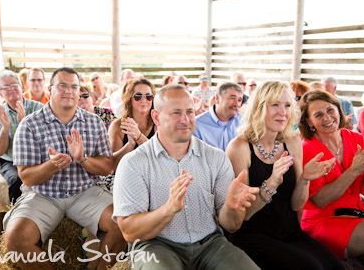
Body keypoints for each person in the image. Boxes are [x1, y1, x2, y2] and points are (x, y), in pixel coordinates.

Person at [113, 84, 260, 270]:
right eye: (175, 113)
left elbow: (231, 226)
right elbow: (129, 232)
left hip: (210, 244)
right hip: (155, 244)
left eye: (190, 112)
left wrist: (232, 207)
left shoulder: (216, 158)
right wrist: (168, 209)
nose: (185, 119)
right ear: (156, 117)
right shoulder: (134, 163)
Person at [4, 67, 126, 269]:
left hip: (85, 191)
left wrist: (83, 159)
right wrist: (52, 166)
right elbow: (26, 178)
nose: (69, 91)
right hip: (44, 193)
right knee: (16, 239)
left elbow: (106, 168)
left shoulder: (94, 122)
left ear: (79, 92)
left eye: (74, 87)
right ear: (50, 89)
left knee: (122, 224)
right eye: (62, 85)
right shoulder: (30, 124)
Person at [225, 80, 341, 270]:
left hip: (288, 231)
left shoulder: (293, 141)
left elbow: (296, 205)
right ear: (259, 108)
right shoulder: (239, 148)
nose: (283, 112)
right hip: (252, 235)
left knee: (335, 266)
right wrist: (271, 183)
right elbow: (244, 215)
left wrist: (304, 180)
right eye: (275, 105)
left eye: (287, 105)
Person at [298, 90, 364, 270]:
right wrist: (355, 169)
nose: (327, 118)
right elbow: (320, 200)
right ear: (309, 122)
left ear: (339, 111)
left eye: (330, 110)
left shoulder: (356, 138)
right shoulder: (306, 149)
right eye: (318, 115)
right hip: (322, 223)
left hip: (357, 217)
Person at [0, 70, 44, 202]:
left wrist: (24, 123)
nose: (11, 89)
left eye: (14, 84)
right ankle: (16, 214)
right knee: (17, 179)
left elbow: (46, 141)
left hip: (37, 158)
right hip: (10, 161)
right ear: (0, 93)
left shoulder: (39, 109)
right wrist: (5, 128)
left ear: (22, 87)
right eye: (5, 87)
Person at [109, 78, 156, 170]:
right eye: (138, 96)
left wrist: (139, 137)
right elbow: (112, 166)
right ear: (129, 99)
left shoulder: (159, 123)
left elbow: (160, 157)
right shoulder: (118, 126)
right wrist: (130, 145)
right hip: (126, 175)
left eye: (148, 96)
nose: (144, 100)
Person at [194, 82, 244, 151]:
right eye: (232, 98)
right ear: (217, 98)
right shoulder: (197, 125)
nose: (237, 104)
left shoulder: (244, 122)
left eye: (239, 100)